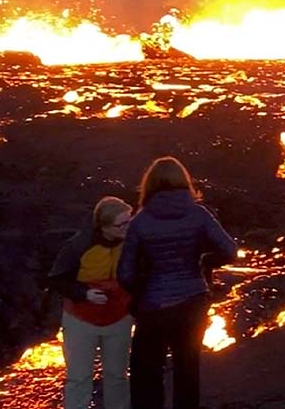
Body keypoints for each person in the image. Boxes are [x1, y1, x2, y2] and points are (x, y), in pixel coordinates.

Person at [118, 157, 238, 409]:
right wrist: (206, 262)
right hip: (193, 301)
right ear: (185, 182)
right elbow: (229, 250)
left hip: (153, 306)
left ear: (149, 185)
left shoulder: (140, 222)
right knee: (187, 370)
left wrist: (138, 297)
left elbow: (125, 273)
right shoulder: (199, 215)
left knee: (146, 373)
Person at [48, 196, 135, 409]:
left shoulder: (132, 242)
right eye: (121, 224)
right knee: (79, 378)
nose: (128, 227)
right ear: (104, 226)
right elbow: (57, 279)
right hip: (81, 320)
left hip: (119, 318)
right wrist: (85, 294)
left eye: (129, 220)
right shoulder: (79, 245)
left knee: (117, 376)